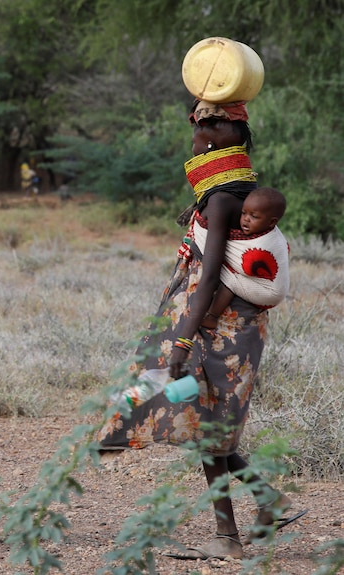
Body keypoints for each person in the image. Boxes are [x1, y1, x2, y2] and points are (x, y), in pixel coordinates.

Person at [98, 99, 305, 560]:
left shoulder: (222, 198)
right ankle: (263, 503)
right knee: (204, 421)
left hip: (217, 329)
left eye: (198, 131)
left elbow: (210, 277)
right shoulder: (236, 190)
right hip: (227, 326)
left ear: (214, 138)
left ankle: (227, 536)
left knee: (204, 422)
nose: (192, 139)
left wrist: (183, 340)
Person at [201, 187, 289, 329]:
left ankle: (211, 317)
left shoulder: (266, 242)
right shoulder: (263, 231)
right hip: (268, 287)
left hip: (270, 293)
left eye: (254, 216)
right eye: (243, 213)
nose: (246, 219)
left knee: (230, 280)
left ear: (272, 222)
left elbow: (246, 265)